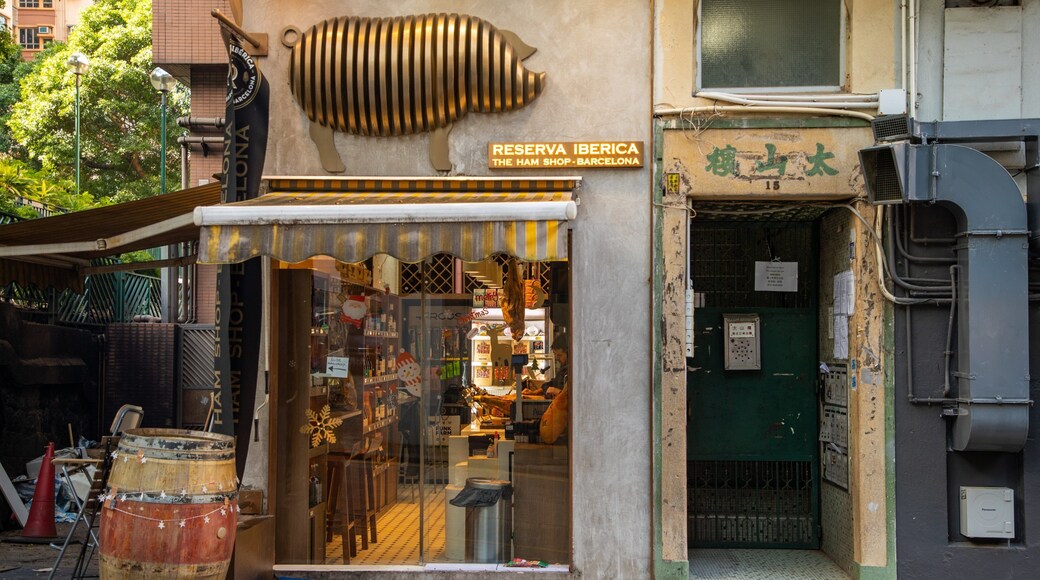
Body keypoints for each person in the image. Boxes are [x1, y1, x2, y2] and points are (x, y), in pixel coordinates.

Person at [525, 332, 568, 399]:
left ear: (569, 353)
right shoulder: (563, 368)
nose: (556, 358)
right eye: (555, 354)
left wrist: (558, 392)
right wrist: (537, 391)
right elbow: (553, 383)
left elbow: (572, 397)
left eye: (559, 355)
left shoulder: (573, 372)